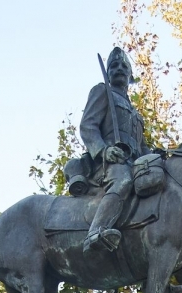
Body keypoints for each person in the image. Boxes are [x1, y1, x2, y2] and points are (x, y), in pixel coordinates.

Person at [62, 47, 152, 254]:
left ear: (130, 75)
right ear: (109, 72)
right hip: (109, 164)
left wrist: (155, 157)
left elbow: (141, 145)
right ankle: (96, 232)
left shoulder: (134, 111)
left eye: (123, 66)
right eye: (114, 66)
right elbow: (88, 126)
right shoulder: (102, 92)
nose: (119, 69)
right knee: (123, 182)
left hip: (134, 162)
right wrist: (103, 150)